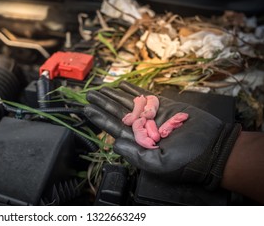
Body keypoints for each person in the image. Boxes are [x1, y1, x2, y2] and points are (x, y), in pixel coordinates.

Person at [84, 81, 264, 204]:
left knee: (146, 126)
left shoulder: (148, 118)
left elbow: (150, 120)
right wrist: (227, 146)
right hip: (147, 115)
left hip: (148, 114)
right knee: (145, 125)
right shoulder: (145, 119)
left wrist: (218, 153)